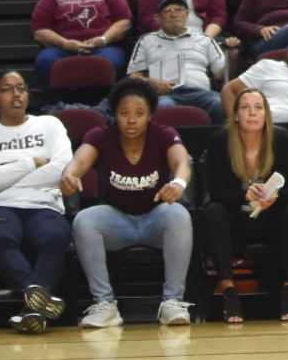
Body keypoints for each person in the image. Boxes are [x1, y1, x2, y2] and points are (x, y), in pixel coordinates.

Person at [61, 80, 195, 329]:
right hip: (118, 221)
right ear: (115, 114)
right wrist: (70, 174)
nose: (131, 120)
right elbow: (78, 162)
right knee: (85, 220)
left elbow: (182, 163)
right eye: (124, 114)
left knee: (178, 215)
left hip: (155, 219)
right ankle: (105, 305)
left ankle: (173, 302)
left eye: (139, 114)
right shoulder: (100, 135)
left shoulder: (164, 134)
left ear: (150, 115)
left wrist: (178, 183)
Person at [0, 70, 77, 333]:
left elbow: (62, 169)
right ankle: (37, 301)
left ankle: (31, 309)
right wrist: (31, 163)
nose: (16, 94)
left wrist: (5, 174)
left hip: (44, 204)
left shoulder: (50, 125)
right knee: (2, 238)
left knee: (53, 238)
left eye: (22, 88)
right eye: (7, 89)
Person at [193, 85, 288, 324]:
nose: (252, 113)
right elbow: (214, 193)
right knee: (213, 212)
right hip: (236, 221)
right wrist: (243, 196)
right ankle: (229, 291)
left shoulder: (282, 138)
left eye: (258, 108)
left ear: (266, 113)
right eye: (245, 108)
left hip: (271, 219)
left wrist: (274, 197)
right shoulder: (219, 140)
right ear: (235, 115)